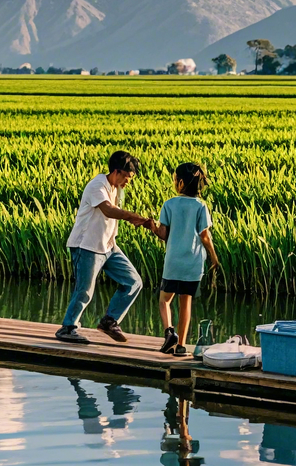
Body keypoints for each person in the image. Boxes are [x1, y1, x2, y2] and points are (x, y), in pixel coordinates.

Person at [55, 150, 153, 345]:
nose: (128, 182)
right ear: (116, 172)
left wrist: (138, 220)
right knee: (85, 290)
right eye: (127, 177)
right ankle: (68, 328)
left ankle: (109, 321)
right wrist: (134, 217)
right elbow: (108, 210)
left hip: (109, 246)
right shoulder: (97, 185)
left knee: (133, 281)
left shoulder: (116, 188)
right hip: (87, 246)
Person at [152, 162, 219, 356]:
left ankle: (169, 332)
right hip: (193, 262)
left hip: (174, 261)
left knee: (164, 300)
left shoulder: (169, 204)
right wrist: (214, 258)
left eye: (174, 179)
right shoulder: (201, 206)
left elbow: (163, 234)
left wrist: (153, 227)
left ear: (180, 183)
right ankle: (181, 345)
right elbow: (205, 236)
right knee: (186, 302)